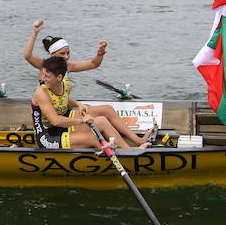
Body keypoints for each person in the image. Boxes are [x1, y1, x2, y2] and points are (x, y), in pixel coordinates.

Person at [22, 20, 150, 146]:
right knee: (96, 126)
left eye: (68, 53)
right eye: (62, 54)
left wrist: (100, 52)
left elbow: (93, 64)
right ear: (52, 54)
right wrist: (34, 33)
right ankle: (121, 150)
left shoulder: (66, 68)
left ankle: (137, 141)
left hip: (62, 112)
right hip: (51, 123)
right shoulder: (44, 66)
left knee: (106, 110)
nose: (66, 57)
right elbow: (27, 56)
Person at [31, 56, 105, 149]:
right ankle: (108, 153)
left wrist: (78, 104)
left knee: (103, 122)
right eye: (43, 75)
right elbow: (56, 121)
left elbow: (63, 100)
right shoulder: (41, 92)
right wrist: (81, 121)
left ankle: (126, 151)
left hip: (60, 129)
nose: (43, 79)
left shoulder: (67, 86)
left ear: (59, 77)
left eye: (47, 76)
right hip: (45, 137)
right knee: (91, 138)